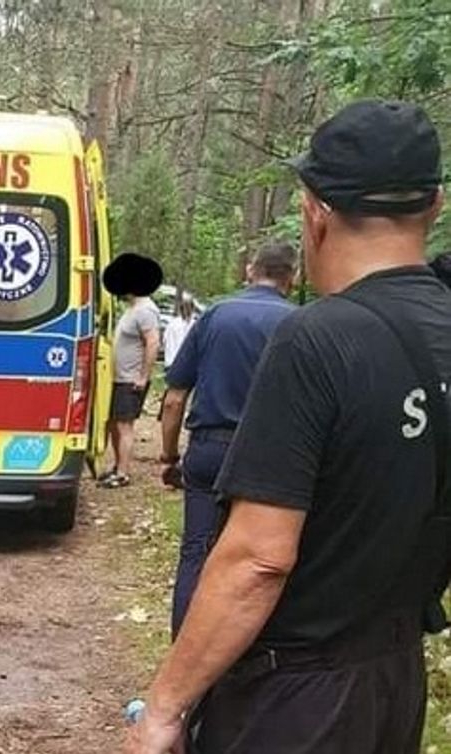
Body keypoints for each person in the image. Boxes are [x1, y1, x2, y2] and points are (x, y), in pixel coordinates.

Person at [128, 99, 449, 754]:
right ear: (435, 206)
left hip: (295, 703)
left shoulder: (316, 342)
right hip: (394, 684)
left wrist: (165, 708)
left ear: (315, 210)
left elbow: (258, 558)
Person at [158, 242, 297, 638]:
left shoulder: (217, 315)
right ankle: (245, 651)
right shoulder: (299, 324)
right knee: (261, 557)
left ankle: (184, 650)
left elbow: (174, 398)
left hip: (209, 450)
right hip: (268, 457)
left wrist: (169, 457)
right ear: (293, 276)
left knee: (197, 551)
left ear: (251, 270)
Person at [99, 252, 162, 489]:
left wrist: (143, 376)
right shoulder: (132, 308)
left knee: (125, 425)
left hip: (130, 379)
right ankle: (117, 466)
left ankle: (123, 472)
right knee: (115, 422)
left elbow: (153, 343)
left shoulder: (146, 310)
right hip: (117, 377)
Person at [162, 292, 196, 370]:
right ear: (193, 308)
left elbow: (164, 341)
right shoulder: (194, 325)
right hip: (184, 365)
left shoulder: (172, 323)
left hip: (171, 362)